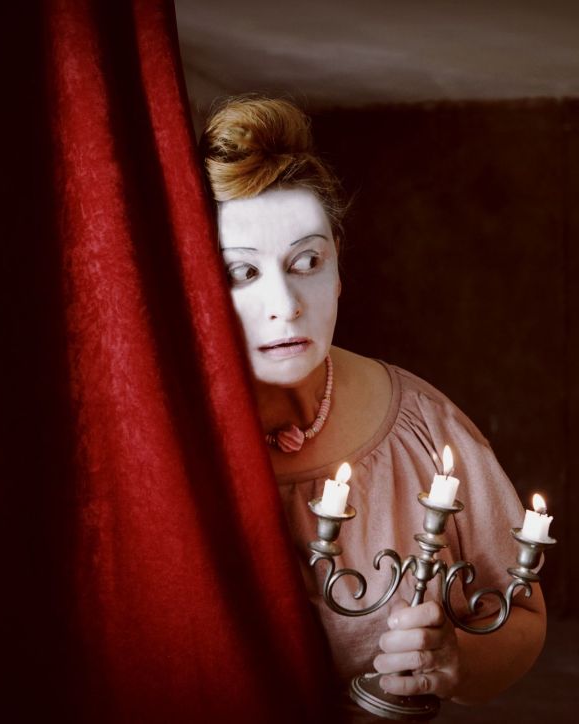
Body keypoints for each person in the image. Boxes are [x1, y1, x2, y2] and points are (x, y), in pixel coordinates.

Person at [200, 96, 546, 715]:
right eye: (241, 274)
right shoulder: (168, 447)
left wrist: (456, 662)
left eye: (307, 262)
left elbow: (520, 613)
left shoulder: (424, 426)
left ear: (337, 267)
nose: (286, 304)